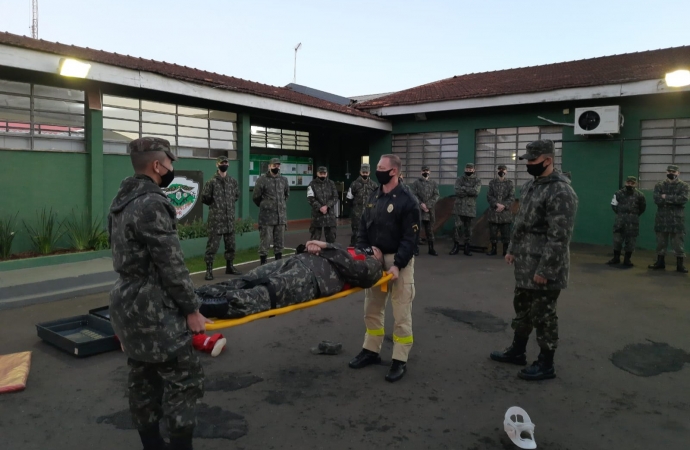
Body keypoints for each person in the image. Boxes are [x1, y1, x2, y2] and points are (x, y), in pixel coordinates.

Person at [108, 137, 209, 450]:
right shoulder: (152, 203)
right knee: (184, 383)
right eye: (170, 162)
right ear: (157, 165)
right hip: (155, 309)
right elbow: (171, 264)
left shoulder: (121, 201)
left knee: (142, 381)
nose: (171, 167)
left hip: (126, 304)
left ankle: (152, 445)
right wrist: (192, 309)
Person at [490, 139, 578, 381]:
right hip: (525, 264)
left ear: (548, 160)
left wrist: (546, 270)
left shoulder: (561, 191)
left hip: (544, 266)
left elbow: (559, 236)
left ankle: (546, 363)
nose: (528, 164)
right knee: (523, 310)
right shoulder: (530, 186)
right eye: (526, 160)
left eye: (533, 160)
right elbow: (520, 222)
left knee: (544, 315)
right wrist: (512, 248)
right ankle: (517, 351)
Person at [349, 154, 421, 383]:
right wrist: (367, 252)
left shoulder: (408, 201)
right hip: (375, 262)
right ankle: (370, 351)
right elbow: (362, 227)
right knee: (372, 308)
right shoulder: (374, 195)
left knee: (401, 314)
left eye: (380, 168)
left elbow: (410, 239)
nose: (376, 171)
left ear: (394, 172)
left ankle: (399, 360)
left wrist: (398, 265)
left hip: (398, 263)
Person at [196, 241, 383, 318]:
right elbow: (334, 253)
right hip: (298, 261)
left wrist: (325, 245)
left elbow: (358, 273)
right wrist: (310, 246)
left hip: (313, 278)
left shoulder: (372, 266)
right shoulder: (347, 248)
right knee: (249, 279)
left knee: (266, 292)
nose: (370, 249)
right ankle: (198, 294)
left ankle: (213, 305)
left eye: (375, 251)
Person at [201, 156, 241, 280]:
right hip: (216, 221)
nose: (224, 164)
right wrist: (217, 207)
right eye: (222, 163)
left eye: (226, 162)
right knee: (212, 247)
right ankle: (209, 270)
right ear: (217, 165)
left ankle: (230, 266)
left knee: (231, 246)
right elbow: (205, 198)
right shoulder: (211, 182)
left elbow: (236, 196)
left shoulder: (232, 182)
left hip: (229, 220)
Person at [648, 165, 689, 273]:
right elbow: (657, 200)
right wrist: (674, 200)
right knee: (661, 242)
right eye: (669, 171)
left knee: (678, 243)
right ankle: (660, 262)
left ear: (678, 173)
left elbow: (683, 199)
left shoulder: (684, 186)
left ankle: (680, 265)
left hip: (677, 219)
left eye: (674, 171)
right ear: (666, 172)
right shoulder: (659, 185)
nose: (671, 173)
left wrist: (666, 197)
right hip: (662, 218)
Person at [253, 158, 290, 265]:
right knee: (265, 243)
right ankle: (263, 265)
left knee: (279, 244)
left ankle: (278, 265)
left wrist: (280, 205)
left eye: (278, 166)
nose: (276, 167)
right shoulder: (262, 180)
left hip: (280, 217)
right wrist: (266, 205)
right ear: (269, 166)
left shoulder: (284, 180)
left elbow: (286, 195)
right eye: (274, 166)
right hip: (267, 218)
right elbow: (256, 197)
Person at [607, 176, 646, 267]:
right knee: (617, 240)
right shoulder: (618, 193)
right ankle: (616, 258)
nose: (630, 184)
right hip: (620, 221)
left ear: (636, 184)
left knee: (631, 241)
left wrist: (633, 215)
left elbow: (642, 208)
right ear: (625, 183)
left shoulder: (640, 195)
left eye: (632, 183)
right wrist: (621, 214)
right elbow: (614, 205)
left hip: (633, 222)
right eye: (628, 183)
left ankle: (627, 259)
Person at [450, 163, 481, 256]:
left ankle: (467, 247)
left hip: (470, 208)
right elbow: (456, 191)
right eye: (467, 169)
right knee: (456, 227)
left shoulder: (477, 180)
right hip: (459, 208)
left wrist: (463, 188)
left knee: (468, 229)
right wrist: (468, 190)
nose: (469, 170)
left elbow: (475, 192)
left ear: (474, 170)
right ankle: (456, 246)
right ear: (465, 169)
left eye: (470, 169)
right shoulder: (459, 179)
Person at [411, 165, 440, 256]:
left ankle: (431, 248)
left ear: (430, 172)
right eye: (424, 171)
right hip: (419, 210)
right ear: (421, 172)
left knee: (430, 229)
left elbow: (436, 195)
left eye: (427, 171)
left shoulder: (433, 183)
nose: (425, 172)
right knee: (417, 229)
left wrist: (428, 205)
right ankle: (416, 249)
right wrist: (421, 204)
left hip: (429, 210)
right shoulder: (416, 183)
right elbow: (413, 195)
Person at [486, 164, 515, 256]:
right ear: (497, 171)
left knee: (506, 234)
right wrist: (496, 204)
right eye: (499, 169)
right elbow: (489, 196)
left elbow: (512, 197)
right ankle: (493, 249)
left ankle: (505, 250)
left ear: (506, 171)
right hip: (494, 212)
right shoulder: (492, 183)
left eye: (503, 170)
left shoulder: (510, 183)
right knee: (493, 233)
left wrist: (503, 205)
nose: (501, 171)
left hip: (505, 213)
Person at [347, 164, 378, 246]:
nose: (365, 174)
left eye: (366, 172)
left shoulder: (374, 185)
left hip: (370, 214)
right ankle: (353, 251)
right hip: (357, 215)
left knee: (370, 233)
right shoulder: (354, 184)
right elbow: (349, 199)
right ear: (360, 172)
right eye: (363, 172)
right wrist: (354, 209)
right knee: (356, 233)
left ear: (369, 172)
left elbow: (377, 199)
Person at [307, 166, 339, 243]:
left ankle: (331, 255)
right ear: (317, 173)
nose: (322, 175)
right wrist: (320, 207)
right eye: (321, 173)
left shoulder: (331, 183)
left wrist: (327, 206)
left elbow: (335, 196)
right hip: (317, 215)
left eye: (324, 173)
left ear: (326, 174)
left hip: (329, 215)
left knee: (331, 240)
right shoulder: (312, 184)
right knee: (315, 240)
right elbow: (310, 198)